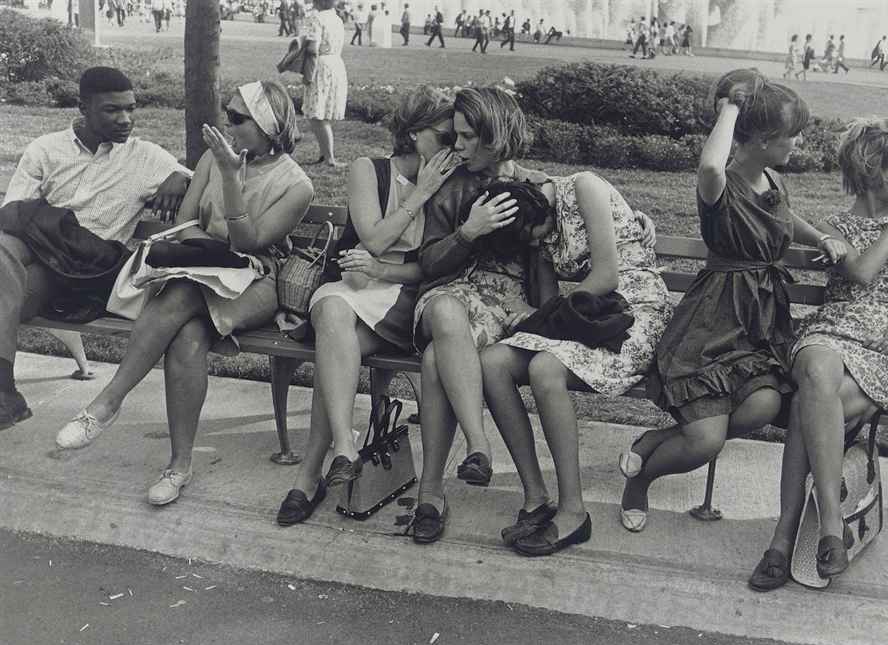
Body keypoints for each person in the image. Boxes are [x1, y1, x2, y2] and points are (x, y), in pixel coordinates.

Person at [54, 81, 314, 506]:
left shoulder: (295, 184)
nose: (226, 125)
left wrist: (231, 179)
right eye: (227, 114)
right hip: (202, 271)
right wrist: (212, 250)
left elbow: (249, 244)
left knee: (181, 295)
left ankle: (106, 404)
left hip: (259, 283)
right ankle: (178, 467)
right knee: (188, 336)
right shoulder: (214, 158)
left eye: (237, 118)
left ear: (269, 126)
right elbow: (188, 220)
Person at [621, 70, 847, 534]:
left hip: (758, 323)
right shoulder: (717, 186)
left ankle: (656, 440)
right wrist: (732, 106)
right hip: (713, 323)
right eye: (791, 137)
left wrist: (821, 235)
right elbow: (708, 166)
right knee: (705, 443)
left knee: (763, 408)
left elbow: (787, 215)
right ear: (762, 139)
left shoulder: (773, 180)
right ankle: (641, 479)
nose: (796, 146)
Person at [749, 117, 888, 590]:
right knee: (816, 364)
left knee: (810, 405)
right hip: (833, 330)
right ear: (874, 171)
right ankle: (832, 525)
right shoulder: (833, 227)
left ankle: (783, 537)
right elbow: (865, 273)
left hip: (882, 347)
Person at [276, 87, 458, 525]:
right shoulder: (369, 170)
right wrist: (421, 192)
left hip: (399, 297)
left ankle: (310, 474)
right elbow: (373, 238)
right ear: (415, 134)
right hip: (352, 289)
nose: (455, 147)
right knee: (335, 322)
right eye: (446, 136)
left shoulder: (450, 185)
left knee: (333, 346)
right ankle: (343, 448)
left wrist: (384, 269)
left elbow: (427, 268)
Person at [480, 170, 671, 556]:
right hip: (589, 315)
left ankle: (573, 514)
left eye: (534, 235)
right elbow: (550, 296)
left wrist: (551, 318)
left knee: (545, 368)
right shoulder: (534, 226)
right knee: (493, 363)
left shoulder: (585, 187)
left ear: (539, 209)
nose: (536, 243)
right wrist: (544, 309)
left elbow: (606, 275)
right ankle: (536, 499)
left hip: (636, 312)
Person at [0, 67, 189, 431]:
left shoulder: (146, 157)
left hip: (85, 274)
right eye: (113, 110)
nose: (126, 120)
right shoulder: (46, 149)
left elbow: (201, 183)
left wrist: (180, 176)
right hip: (35, 262)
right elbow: (14, 216)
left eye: (131, 109)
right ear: (83, 107)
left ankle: (4, 392)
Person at [404, 87, 549, 544]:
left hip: (503, 309)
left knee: (435, 362)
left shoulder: (537, 186)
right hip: (445, 295)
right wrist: (469, 232)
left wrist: (637, 221)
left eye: (467, 137)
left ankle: (431, 494)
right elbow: (428, 264)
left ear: (495, 137)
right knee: (447, 312)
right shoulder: (453, 185)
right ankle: (478, 444)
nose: (457, 145)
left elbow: (560, 250)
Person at [302, 0, 348, 167]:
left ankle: (329, 158)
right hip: (335, 63)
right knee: (322, 112)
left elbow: (313, 48)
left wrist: (307, 70)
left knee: (317, 115)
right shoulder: (337, 19)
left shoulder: (316, 18)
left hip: (320, 66)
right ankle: (324, 155)